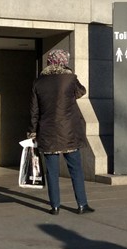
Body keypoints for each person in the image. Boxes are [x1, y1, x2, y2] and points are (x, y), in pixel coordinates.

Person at [28, 49, 92, 215]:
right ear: (64, 61)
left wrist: (32, 131)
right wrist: (69, 74)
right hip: (68, 132)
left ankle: (55, 206)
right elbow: (81, 91)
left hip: (47, 132)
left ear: (49, 61)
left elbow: (34, 111)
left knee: (52, 172)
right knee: (76, 170)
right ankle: (82, 205)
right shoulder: (69, 78)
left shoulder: (38, 82)